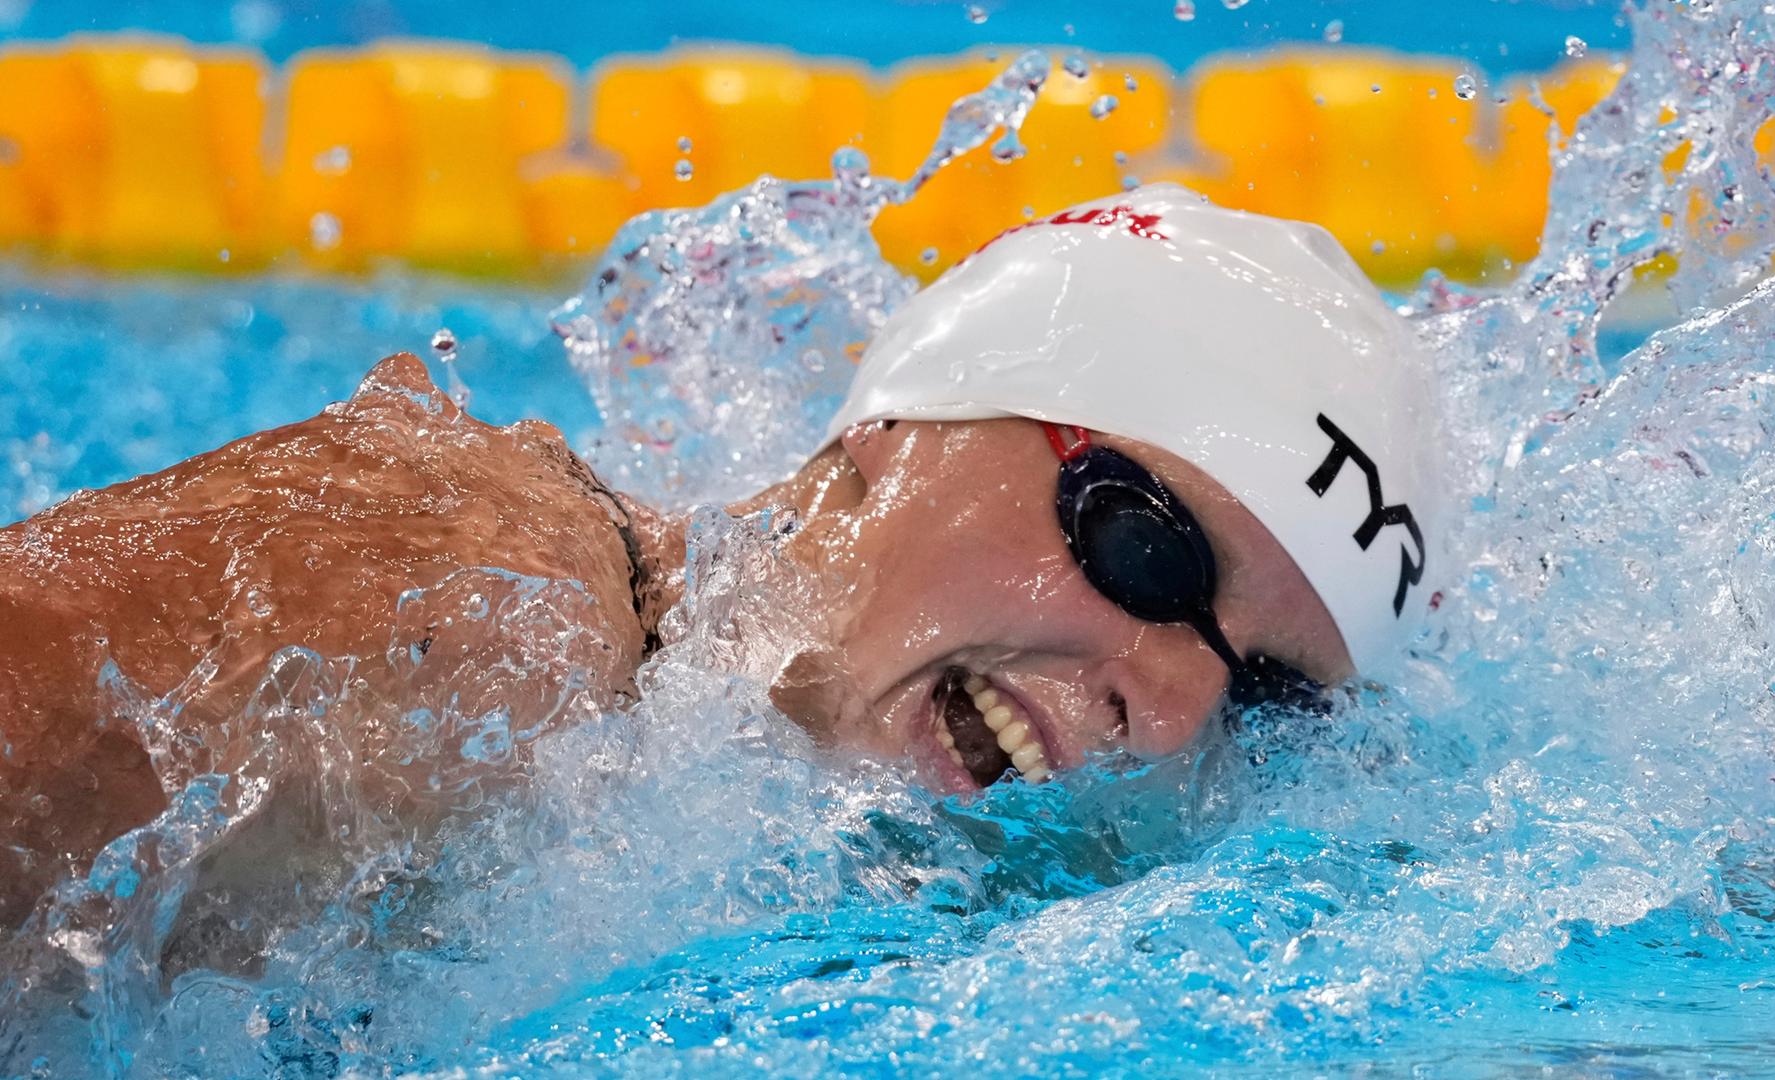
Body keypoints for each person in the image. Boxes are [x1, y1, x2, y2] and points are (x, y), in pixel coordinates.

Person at [0, 184, 1443, 925]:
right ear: (911, 424)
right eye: (1143, 546)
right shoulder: (475, 606)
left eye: (1268, 701)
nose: (1178, 716)